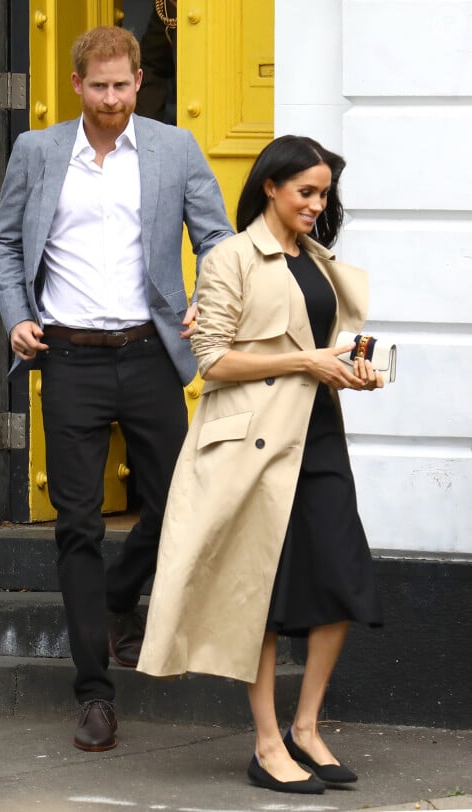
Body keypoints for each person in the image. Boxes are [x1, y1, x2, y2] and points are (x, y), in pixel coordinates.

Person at [0, 25, 233, 753]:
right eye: (99, 87)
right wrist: (17, 317)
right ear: (76, 86)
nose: (113, 99)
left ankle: (120, 597)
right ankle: (95, 693)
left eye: (123, 85)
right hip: (68, 359)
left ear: (136, 81)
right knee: (78, 524)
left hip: (151, 354)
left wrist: (208, 297)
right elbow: (5, 243)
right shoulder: (36, 152)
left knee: (178, 501)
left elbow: (216, 237)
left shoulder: (173, 148)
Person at [137, 135, 384, 794]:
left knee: (341, 578)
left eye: (324, 193)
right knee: (263, 592)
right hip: (253, 446)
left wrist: (349, 368)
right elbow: (212, 360)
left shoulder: (318, 259)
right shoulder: (230, 258)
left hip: (318, 434)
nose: (316, 203)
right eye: (306, 191)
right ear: (271, 186)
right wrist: (305, 362)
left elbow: (319, 345)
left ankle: (307, 728)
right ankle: (268, 742)